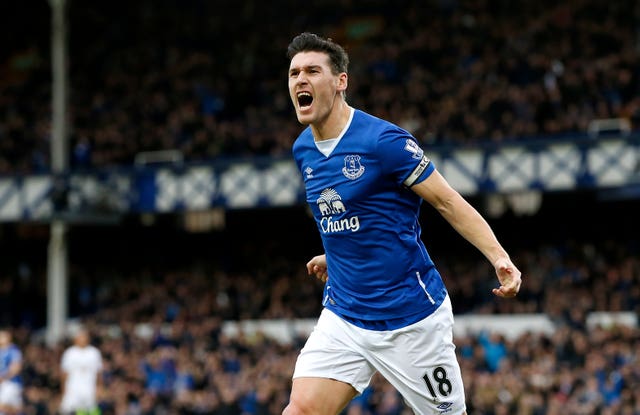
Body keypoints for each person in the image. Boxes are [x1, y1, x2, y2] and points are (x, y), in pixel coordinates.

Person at [283, 32, 522, 415]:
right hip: (344, 316)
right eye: (294, 73)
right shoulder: (303, 150)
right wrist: (339, 257)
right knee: (301, 410)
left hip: (412, 320)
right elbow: (349, 212)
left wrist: (499, 257)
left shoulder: (383, 142)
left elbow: (447, 200)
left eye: (312, 70)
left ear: (340, 81)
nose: (300, 81)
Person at [59, 328, 103, 415]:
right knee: (65, 410)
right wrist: (63, 389)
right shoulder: (69, 353)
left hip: (90, 388)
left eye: (84, 337)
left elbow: (99, 372)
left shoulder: (94, 352)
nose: (82, 339)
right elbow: (64, 373)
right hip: (73, 388)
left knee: (92, 410)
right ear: (75, 339)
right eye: (80, 337)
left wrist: (99, 387)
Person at [0, 329, 23, 415]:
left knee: (9, 407)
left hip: (11, 384)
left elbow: (16, 368)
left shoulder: (13, 350)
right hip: (2, 384)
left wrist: (3, 377)